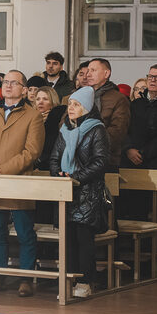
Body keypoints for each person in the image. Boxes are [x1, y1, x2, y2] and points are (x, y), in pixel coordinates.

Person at [0, 70, 45, 297]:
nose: (8, 86)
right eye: (5, 82)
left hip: (19, 182)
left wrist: (4, 169)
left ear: (24, 89)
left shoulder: (33, 116)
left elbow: (32, 152)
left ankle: (25, 278)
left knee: (25, 233)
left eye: (14, 83)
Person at [50, 87, 109, 298]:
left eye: (76, 104)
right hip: (66, 193)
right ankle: (68, 281)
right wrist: (59, 174)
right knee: (68, 240)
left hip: (87, 194)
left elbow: (100, 161)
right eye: (70, 104)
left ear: (87, 107)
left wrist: (76, 177)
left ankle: (85, 282)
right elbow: (54, 158)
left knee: (84, 240)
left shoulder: (97, 129)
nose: (71, 108)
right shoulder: (65, 129)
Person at [86, 58, 130, 170]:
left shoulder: (118, 99)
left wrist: (90, 144)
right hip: (78, 158)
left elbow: (118, 131)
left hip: (106, 159)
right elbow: (64, 122)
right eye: (88, 71)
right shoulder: (81, 96)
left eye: (93, 70)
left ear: (106, 73)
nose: (88, 74)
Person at [34, 86, 66, 171]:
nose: (40, 102)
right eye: (38, 99)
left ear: (52, 102)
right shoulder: (30, 118)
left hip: (50, 167)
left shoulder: (57, 119)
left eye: (45, 99)